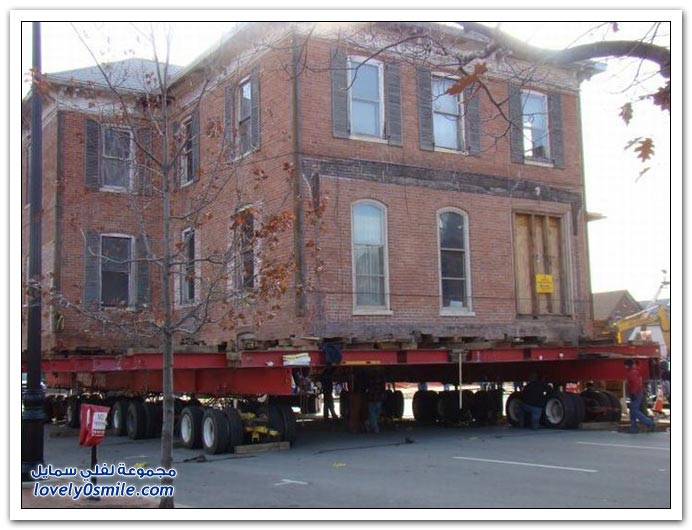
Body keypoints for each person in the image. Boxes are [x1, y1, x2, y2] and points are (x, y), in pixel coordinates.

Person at [625, 358, 657, 433]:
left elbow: (635, 384)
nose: (625, 366)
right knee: (632, 411)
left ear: (628, 365)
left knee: (634, 410)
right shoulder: (634, 371)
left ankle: (650, 422)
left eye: (626, 365)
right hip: (636, 393)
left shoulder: (632, 372)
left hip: (636, 393)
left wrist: (633, 393)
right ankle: (633, 428)